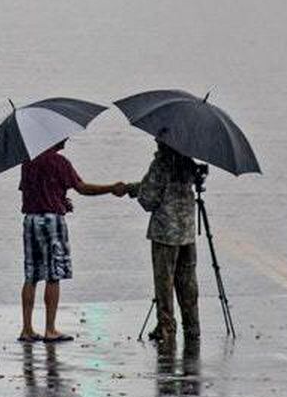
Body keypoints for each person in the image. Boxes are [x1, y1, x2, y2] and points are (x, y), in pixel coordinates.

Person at [17, 141, 124, 343]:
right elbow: (82, 188)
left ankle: (27, 329)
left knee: (30, 274)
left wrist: (60, 198)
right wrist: (111, 188)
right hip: (52, 222)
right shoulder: (59, 162)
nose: (67, 138)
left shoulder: (28, 162)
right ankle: (50, 329)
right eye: (63, 136)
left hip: (30, 220)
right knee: (53, 275)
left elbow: (29, 192)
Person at [124, 140, 201, 343]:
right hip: (187, 232)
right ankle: (192, 326)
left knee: (164, 281)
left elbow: (148, 199)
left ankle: (166, 327)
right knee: (188, 282)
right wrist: (132, 188)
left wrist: (134, 191)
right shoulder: (188, 161)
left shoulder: (161, 162)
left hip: (165, 233)